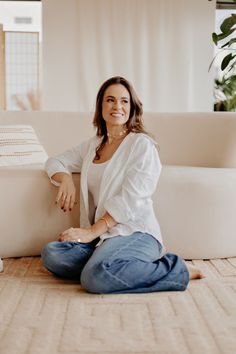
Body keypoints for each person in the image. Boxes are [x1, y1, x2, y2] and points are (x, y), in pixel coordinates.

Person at [41, 76, 204, 294]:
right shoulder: (93, 145)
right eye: (110, 100)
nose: (117, 106)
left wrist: (90, 232)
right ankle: (118, 266)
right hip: (102, 238)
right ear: (101, 106)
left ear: (132, 107)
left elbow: (130, 200)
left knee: (95, 278)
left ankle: (175, 268)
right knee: (52, 254)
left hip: (134, 232)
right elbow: (55, 161)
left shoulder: (142, 145)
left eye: (124, 101)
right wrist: (66, 178)